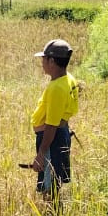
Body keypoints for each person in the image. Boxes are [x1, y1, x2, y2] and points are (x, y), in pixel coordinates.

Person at [25, 39, 80, 198]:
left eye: (44, 58)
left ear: (52, 61)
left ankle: (52, 212)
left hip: (51, 139)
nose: (42, 63)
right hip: (59, 134)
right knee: (54, 182)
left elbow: (51, 125)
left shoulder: (57, 88)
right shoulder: (68, 78)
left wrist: (41, 154)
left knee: (49, 189)